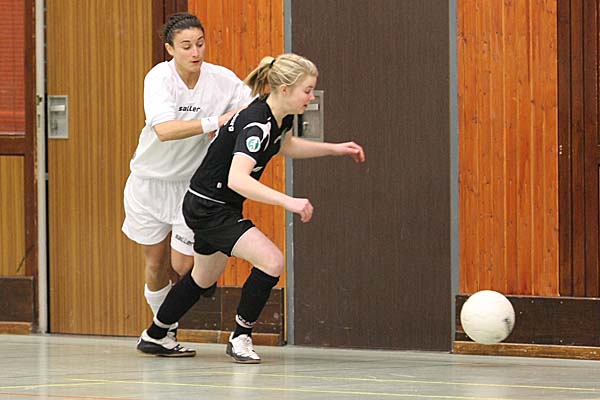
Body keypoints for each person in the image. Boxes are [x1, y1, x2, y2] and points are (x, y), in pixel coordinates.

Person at [136, 53, 365, 361]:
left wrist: (335, 149)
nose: (311, 97)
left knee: (201, 278)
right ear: (285, 89)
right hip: (211, 208)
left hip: (209, 203)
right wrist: (289, 201)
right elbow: (238, 179)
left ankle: (155, 334)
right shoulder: (257, 123)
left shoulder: (279, 117)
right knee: (272, 261)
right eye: (307, 90)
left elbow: (285, 145)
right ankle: (241, 337)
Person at [122, 12, 253, 356]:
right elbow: (165, 131)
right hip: (149, 183)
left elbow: (253, 109)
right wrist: (215, 121)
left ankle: (192, 292)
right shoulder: (159, 78)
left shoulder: (222, 80)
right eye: (186, 46)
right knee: (155, 263)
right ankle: (162, 333)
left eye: (200, 44)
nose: (195, 52)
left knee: (184, 266)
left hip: (190, 186)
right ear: (170, 49)